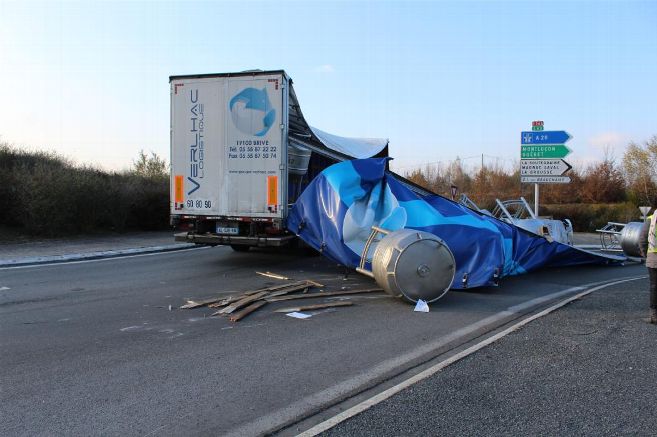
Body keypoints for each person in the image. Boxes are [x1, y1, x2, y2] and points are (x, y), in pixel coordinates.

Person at [639, 211, 657, 324]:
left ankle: (654, 316)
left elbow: (642, 240)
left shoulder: (651, 219)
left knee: (654, 287)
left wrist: (646, 255)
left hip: (653, 259)